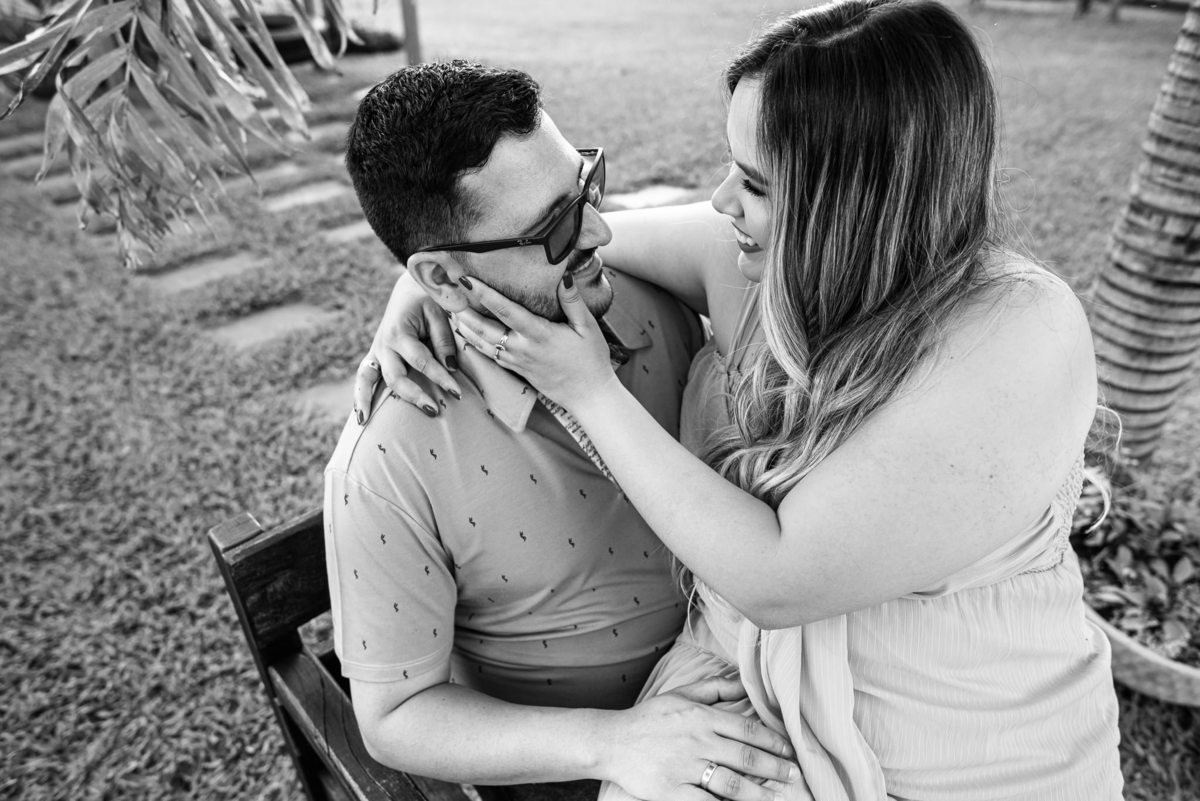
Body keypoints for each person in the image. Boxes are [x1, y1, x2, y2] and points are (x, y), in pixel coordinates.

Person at [357, 1, 1125, 799]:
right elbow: (572, 238)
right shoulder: (762, 262)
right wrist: (433, 283)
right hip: (742, 718)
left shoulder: (1021, 332)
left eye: (755, 182)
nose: (722, 200)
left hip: (966, 761)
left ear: (852, 204)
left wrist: (588, 388)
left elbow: (779, 577)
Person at [324, 60, 804, 801]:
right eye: (553, 229)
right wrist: (616, 743)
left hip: (758, 687)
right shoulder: (389, 460)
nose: (600, 230)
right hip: (574, 768)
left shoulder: (652, 300)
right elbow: (394, 717)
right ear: (444, 279)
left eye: (586, 186)